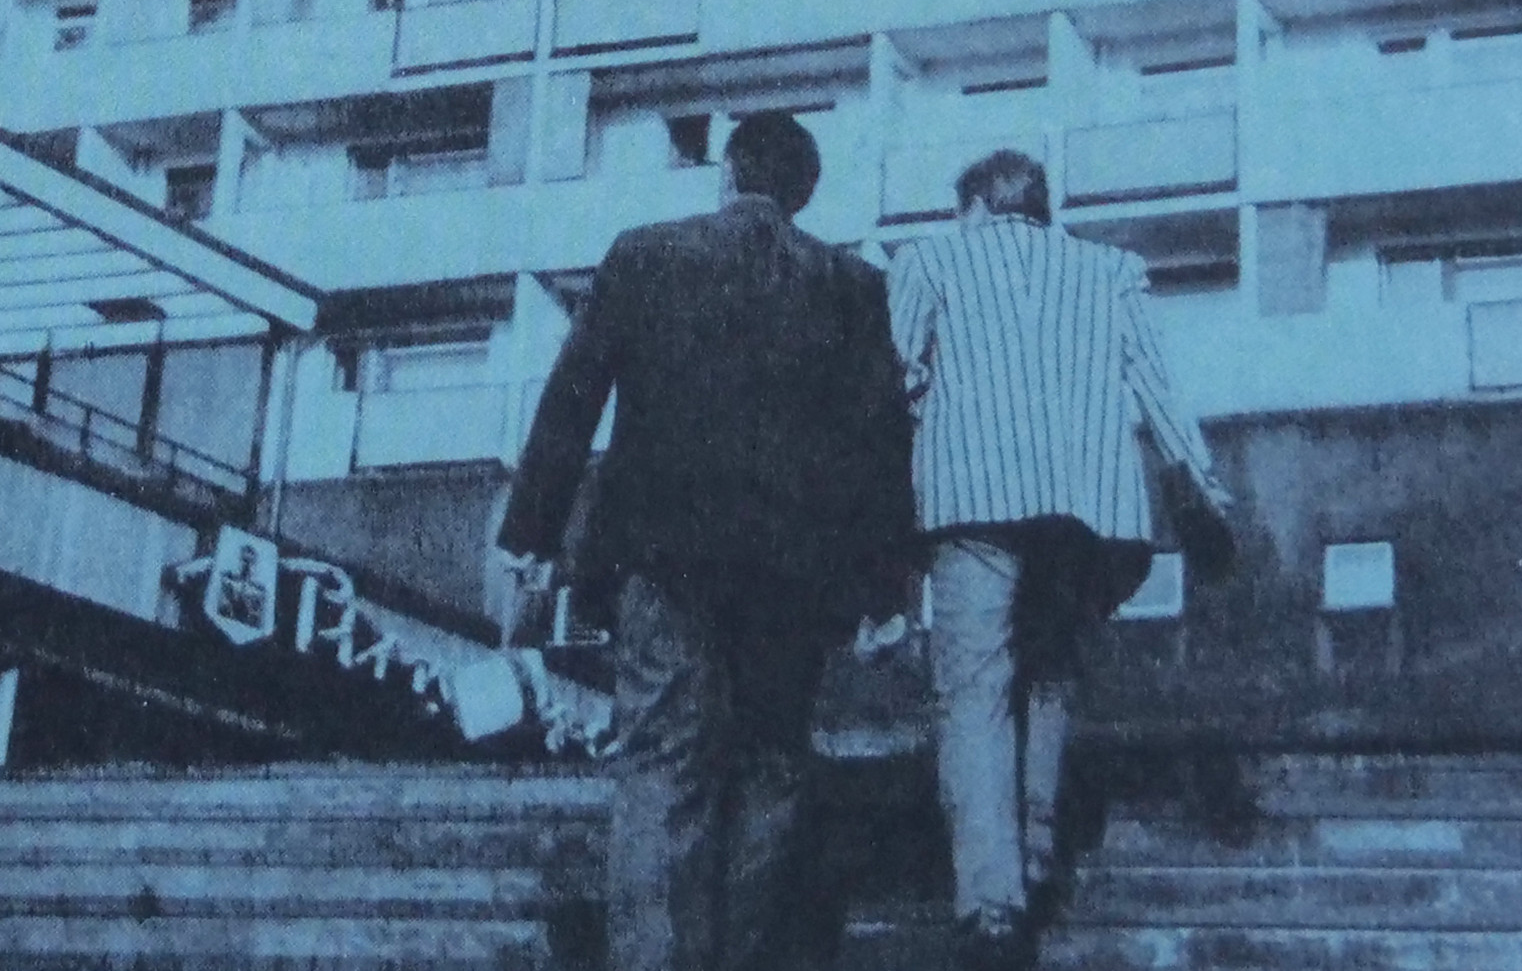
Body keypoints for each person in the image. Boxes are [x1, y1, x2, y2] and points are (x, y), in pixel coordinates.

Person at [495, 112, 917, 971]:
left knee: (661, 758)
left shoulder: (643, 254)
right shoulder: (854, 286)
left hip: (663, 557)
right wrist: (883, 591)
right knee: (769, 764)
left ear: (727, 175)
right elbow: (880, 448)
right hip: (793, 577)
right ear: (804, 194)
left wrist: (532, 529)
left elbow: (573, 394)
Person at [886, 150, 1230, 970]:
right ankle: (1037, 855)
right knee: (1047, 676)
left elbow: (894, 378)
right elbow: (1154, 383)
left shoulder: (929, 259)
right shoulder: (1110, 268)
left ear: (975, 205)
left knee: (975, 691)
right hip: (1082, 508)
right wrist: (1203, 488)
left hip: (971, 500)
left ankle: (991, 904)